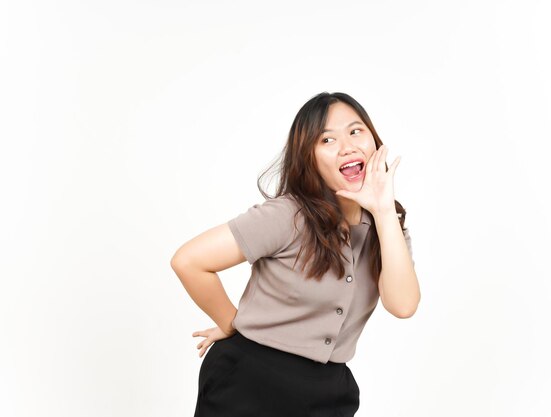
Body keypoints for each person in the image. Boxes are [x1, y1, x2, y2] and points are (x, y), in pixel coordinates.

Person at [171, 91, 420, 416]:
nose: (347, 146)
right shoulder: (289, 215)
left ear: (374, 141)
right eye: (327, 139)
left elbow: (403, 305)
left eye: (356, 131)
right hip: (250, 379)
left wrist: (385, 211)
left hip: (330, 390)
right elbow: (189, 261)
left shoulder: (388, 227)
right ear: (309, 158)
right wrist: (233, 324)